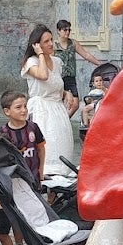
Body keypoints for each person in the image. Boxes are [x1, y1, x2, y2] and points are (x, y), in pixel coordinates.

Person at [19, 24, 73, 177]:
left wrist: (66, 93)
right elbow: (43, 76)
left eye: (51, 40)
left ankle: (55, 195)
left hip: (58, 110)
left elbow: (56, 86)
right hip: (42, 111)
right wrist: (41, 55)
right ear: (37, 45)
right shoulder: (31, 62)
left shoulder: (57, 62)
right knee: (48, 151)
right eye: (46, 41)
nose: (50, 44)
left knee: (62, 149)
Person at [54, 19, 104, 113]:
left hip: (71, 77)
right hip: (58, 77)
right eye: (65, 30)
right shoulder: (54, 45)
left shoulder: (73, 43)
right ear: (58, 31)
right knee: (58, 102)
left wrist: (98, 63)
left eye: (69, 30)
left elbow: (85, 55)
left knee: (75, 104)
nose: (67, 32)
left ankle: (65, 120)